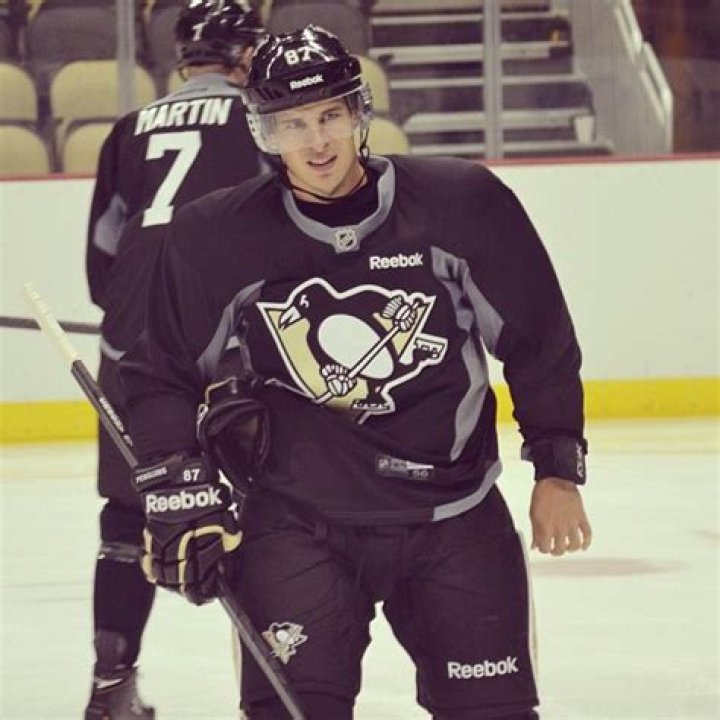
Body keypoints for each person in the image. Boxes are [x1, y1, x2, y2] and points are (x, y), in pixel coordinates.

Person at [119, 24, 593, 720]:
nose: (316, 142)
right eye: (292, 124)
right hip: (296, 521)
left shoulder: (463, 204)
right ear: (263, 132)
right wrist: (177, 490)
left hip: (453, 516)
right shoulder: (217, 236)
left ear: (359, 113)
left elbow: (538, 338)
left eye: (330, 116)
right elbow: (161, 373)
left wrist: (557, 467)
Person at [83, 2, 265, 718]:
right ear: (243, 54)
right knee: (270, 509)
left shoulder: (127, 128)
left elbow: (101, 262)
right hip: (234, 342)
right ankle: (276, 689)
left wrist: (142, 315)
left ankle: (111, 688)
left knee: (128, 514)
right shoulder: (262, 116)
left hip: (130, 344)